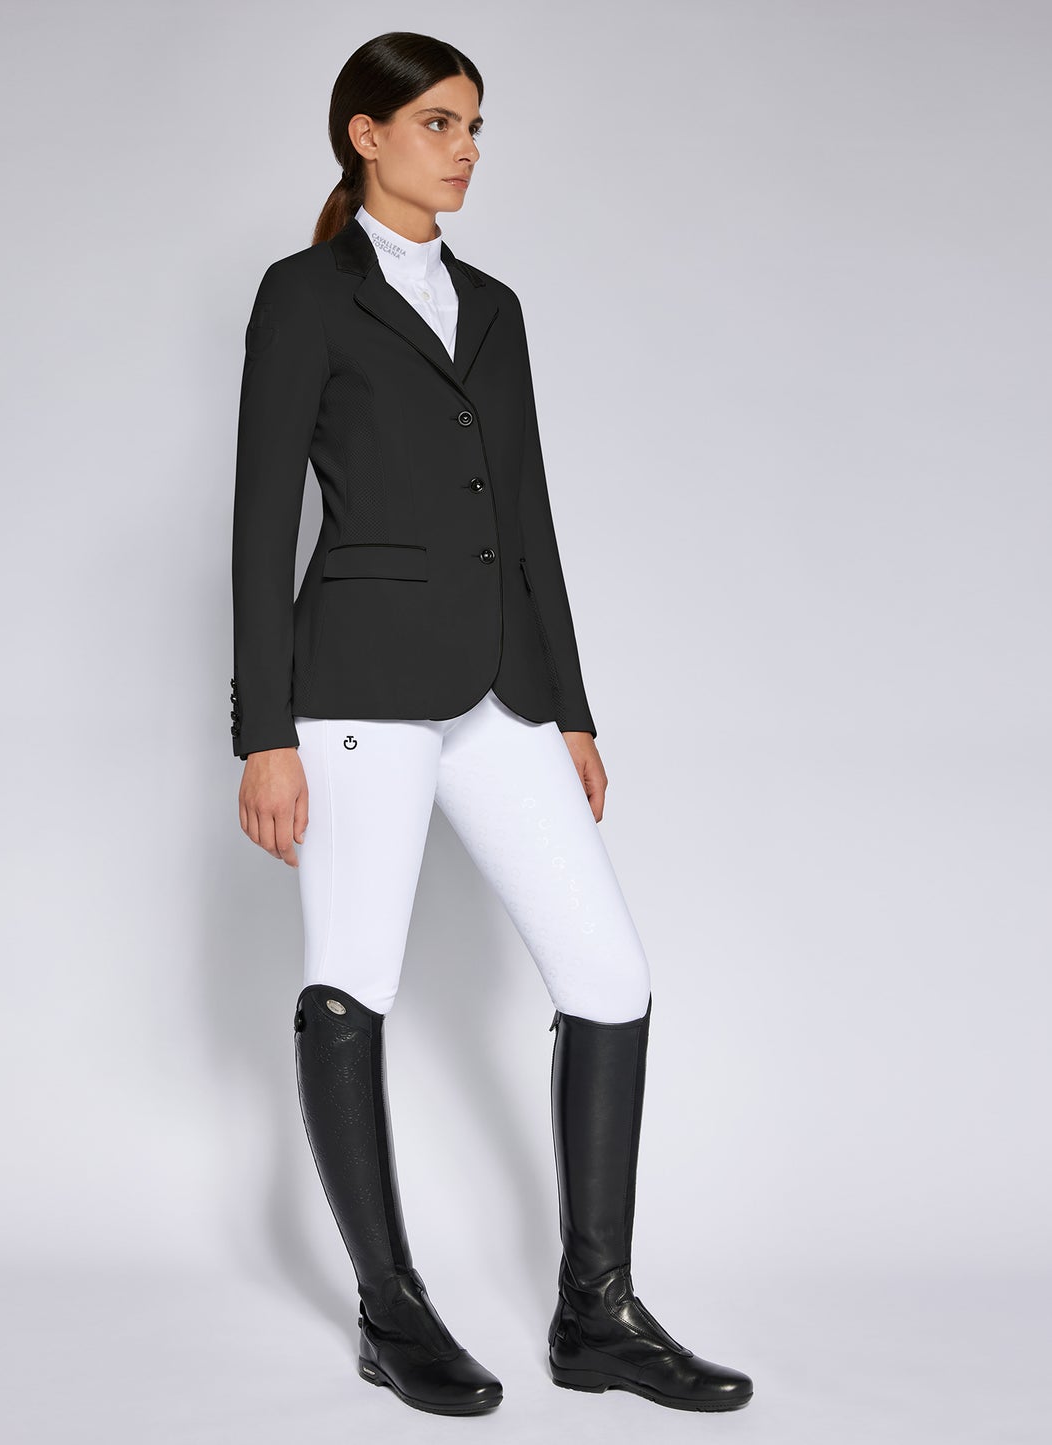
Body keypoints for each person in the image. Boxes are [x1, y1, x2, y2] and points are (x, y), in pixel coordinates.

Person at [230, 30, 753, 1416]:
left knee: (609, 979)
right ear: (366, 136)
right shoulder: (304, 295)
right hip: (355, 689)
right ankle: (390, 1311)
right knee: (351, 978)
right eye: (439, 123)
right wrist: (261, 731)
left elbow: (526, 515)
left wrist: (570, 707)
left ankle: (597, 1314)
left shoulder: (496, 306)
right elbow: (259, 519)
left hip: (499, 687)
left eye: (475, 127)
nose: (465, 149)